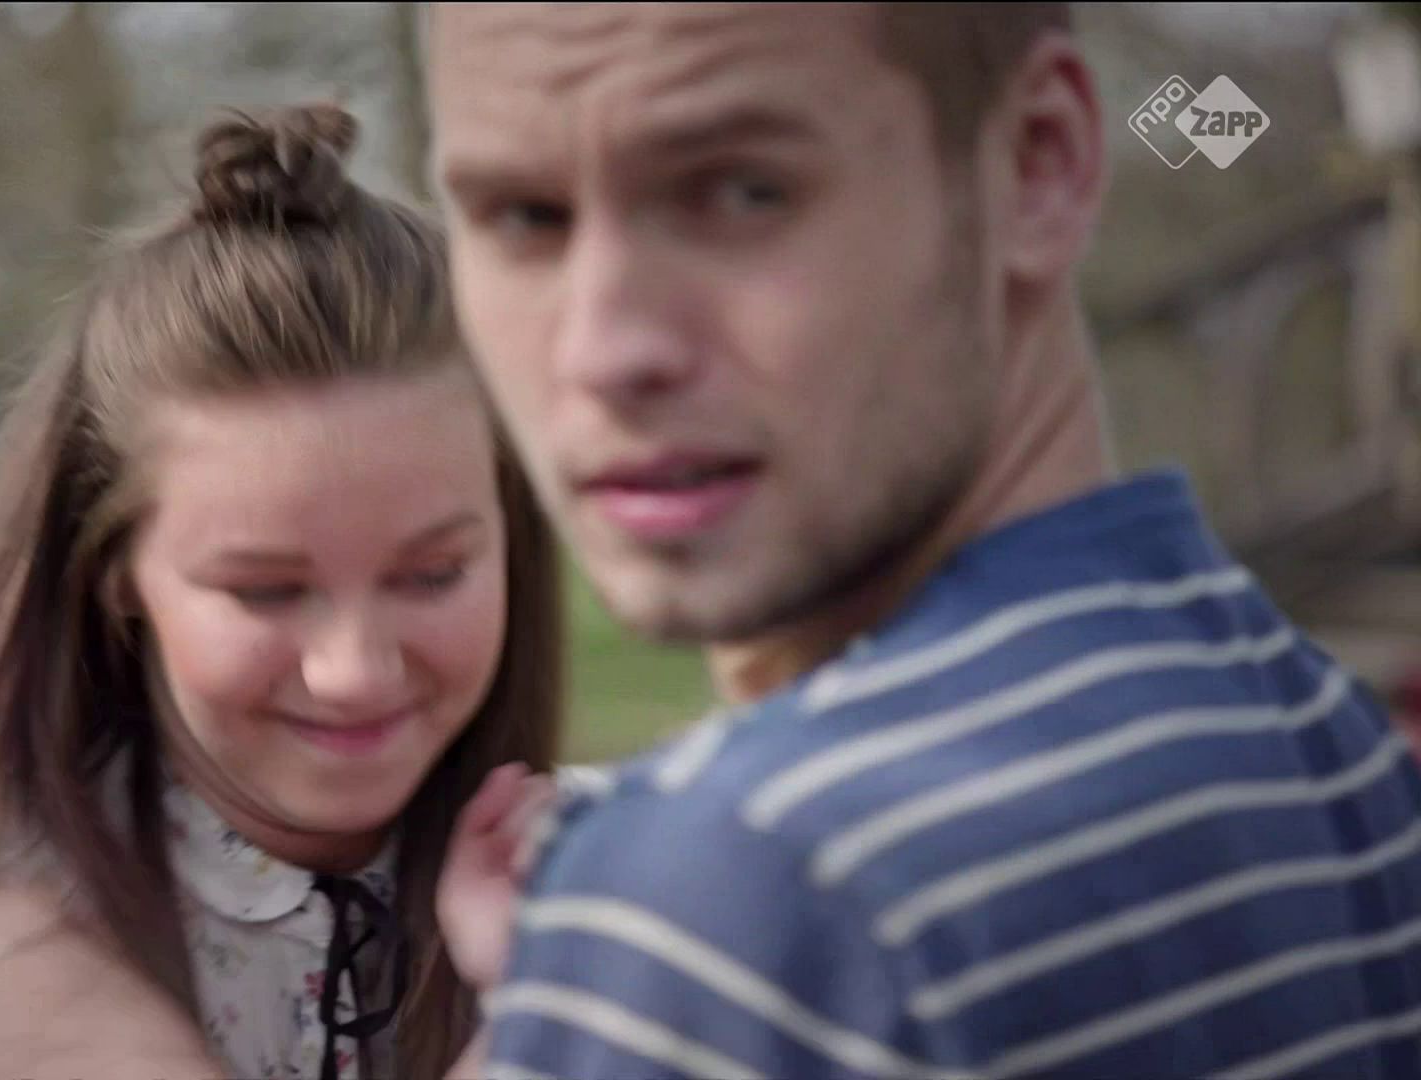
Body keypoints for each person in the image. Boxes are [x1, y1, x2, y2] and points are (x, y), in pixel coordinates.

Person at [425, 4, 1421, 1078]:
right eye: (525, 216)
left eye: (743, 192)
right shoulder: (1328, 734)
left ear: (1040, 163)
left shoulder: (745, 877)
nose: (601, 350)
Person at [0, 103, 564, 1080]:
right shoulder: (17, 940)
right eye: (266, 590)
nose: (354, 670)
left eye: (432, 575)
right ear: (115, 574)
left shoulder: (546, 870)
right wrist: (560, 1008)